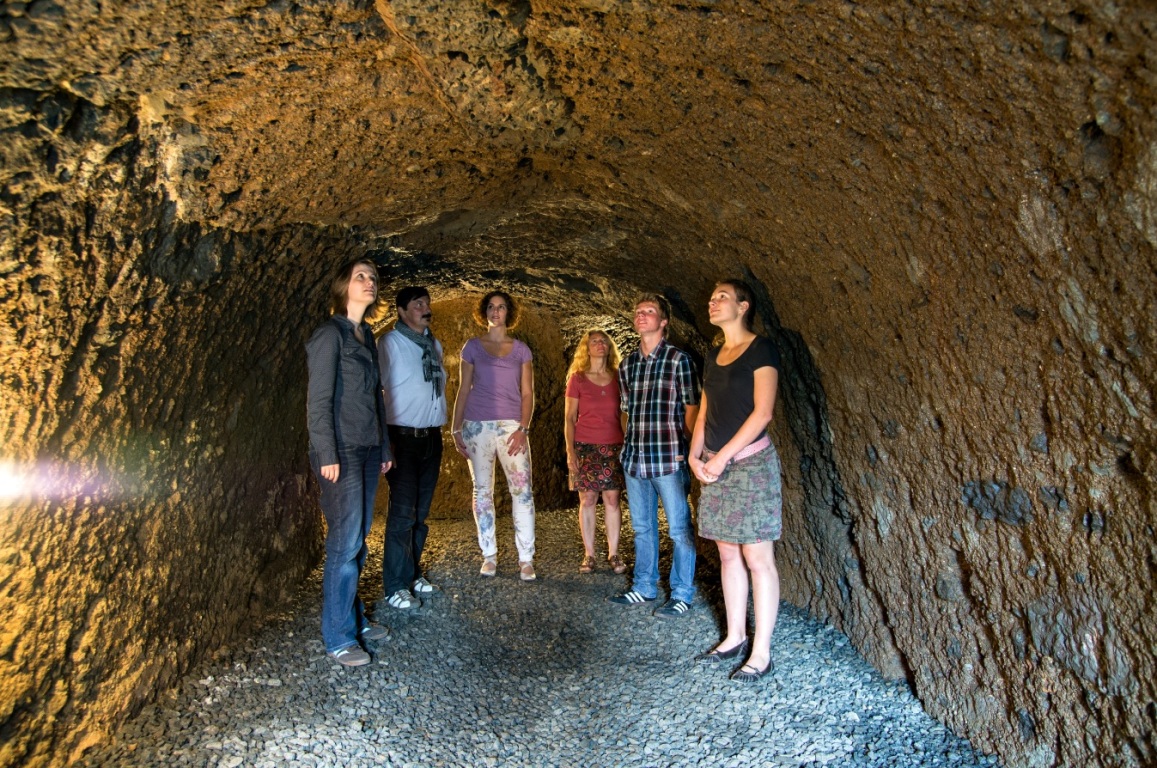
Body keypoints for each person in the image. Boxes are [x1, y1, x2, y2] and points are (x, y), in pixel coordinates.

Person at [688, 279, 783, 683]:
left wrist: (723, 456)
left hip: (749, 465)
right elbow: (707, 407)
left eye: (721, 297)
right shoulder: (713, 355)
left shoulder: (762, 349)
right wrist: (695, 453)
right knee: (727, 555)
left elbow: (763, 413)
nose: (713, 302)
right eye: (711, 297)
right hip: (715, 465)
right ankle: (734, 636)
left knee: (757, 559)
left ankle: (761, 652)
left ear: (743, 306)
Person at [305, 258, 394, 667]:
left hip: (368, 447)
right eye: (360, 276)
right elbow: (318, 400)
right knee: (345, 543)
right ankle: (338, 637)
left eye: (372, 278)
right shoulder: (329, 335)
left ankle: (353, 620)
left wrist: (385, 447)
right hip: (340, 452)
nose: (369, 282)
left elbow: (375, 397)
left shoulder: (366, 335)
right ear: (343, 286)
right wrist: (326, 453)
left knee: (357, 541)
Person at [611, 294, 700, 618]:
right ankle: (644, 587)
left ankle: (682, 593)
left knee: (678, 529)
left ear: (663, 322)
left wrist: (687, 449)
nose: (642, 315)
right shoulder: (627, 364)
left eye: (650, 312)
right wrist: (627, 443)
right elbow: (624, 409)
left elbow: (693, 408)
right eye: (639, 312)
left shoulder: (679, 360)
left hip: (668, 458)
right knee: (643, 527)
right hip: (635, 459)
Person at [450, 290, 537, 581]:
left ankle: (526, 559)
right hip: (477, 425)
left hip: (512, 427)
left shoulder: (521, 350)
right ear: (484, 311)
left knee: (522, 492)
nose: (495, 311)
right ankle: (489, 556)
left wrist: (523, 428)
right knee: (482, 492)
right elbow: (463, 389)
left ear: (508, 313)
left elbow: (528, 393)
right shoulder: (472, 347)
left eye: (501, 307)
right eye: (491, 307)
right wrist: (455, 427)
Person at [377, 286, 447, 611]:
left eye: (427, 302)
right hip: (402, 438)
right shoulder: (390, 343)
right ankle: (394, 585)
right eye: (417, 303)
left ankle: (412, 572)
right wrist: (382, 441)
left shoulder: (434, 345)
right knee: (403, 514)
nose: (425, 307)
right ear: (402, 311)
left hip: (431, 437)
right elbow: (377, 391)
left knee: (421, 513)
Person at [564, 329, 629, 575]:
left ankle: (614, 553)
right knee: (587, 499)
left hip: (613, 445)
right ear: (586, 348)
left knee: (612, 500)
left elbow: (624, 414)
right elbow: (569, 418)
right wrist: (570, 451)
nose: (600, 344)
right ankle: (589, 554)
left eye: (604, 341)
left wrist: (628, 444)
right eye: (594, 341)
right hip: (585, 446)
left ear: (609, 347)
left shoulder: (618, 378)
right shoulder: (578, 379)